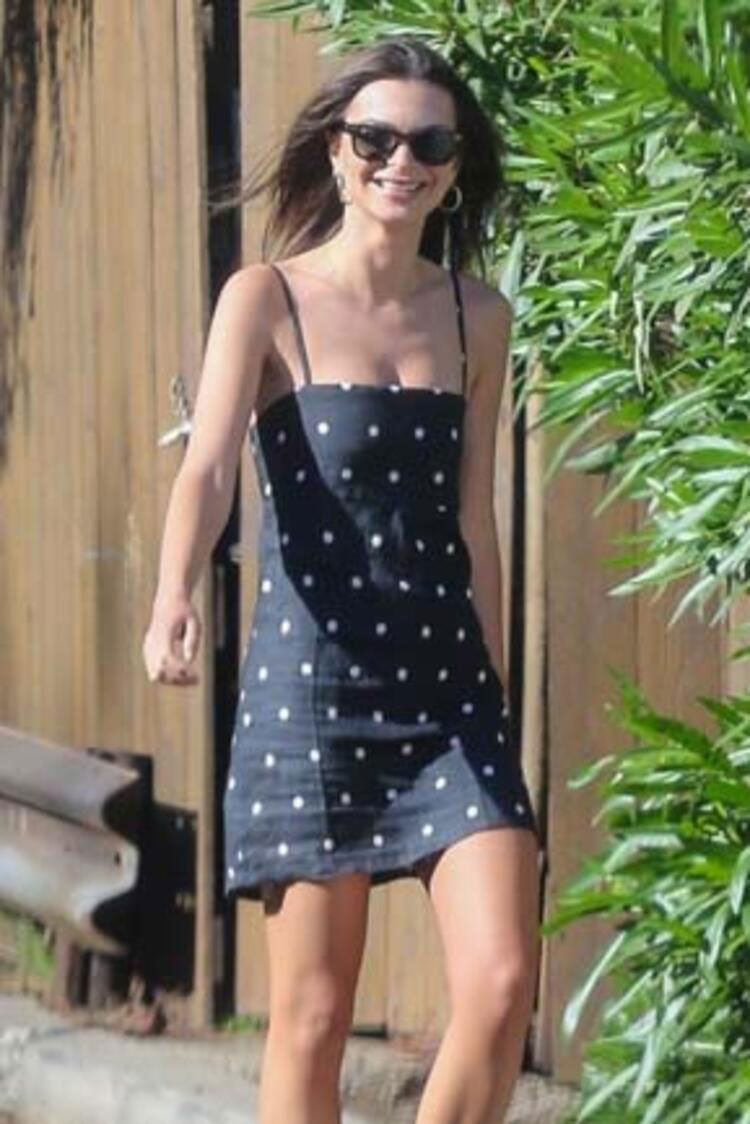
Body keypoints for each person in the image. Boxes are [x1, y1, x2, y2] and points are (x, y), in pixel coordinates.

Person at [142, 35, 541, 1124]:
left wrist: (494, 685)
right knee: (313, 1018)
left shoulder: (477, 316)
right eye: (376, 138)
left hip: (448, 693)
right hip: (310, 694)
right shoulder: (265, 297)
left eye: (430, 144)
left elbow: (474, 517)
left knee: (502, 982)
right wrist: (175, 593)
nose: (401, 161)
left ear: (453, 167)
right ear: (335, 148)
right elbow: (209, 467)